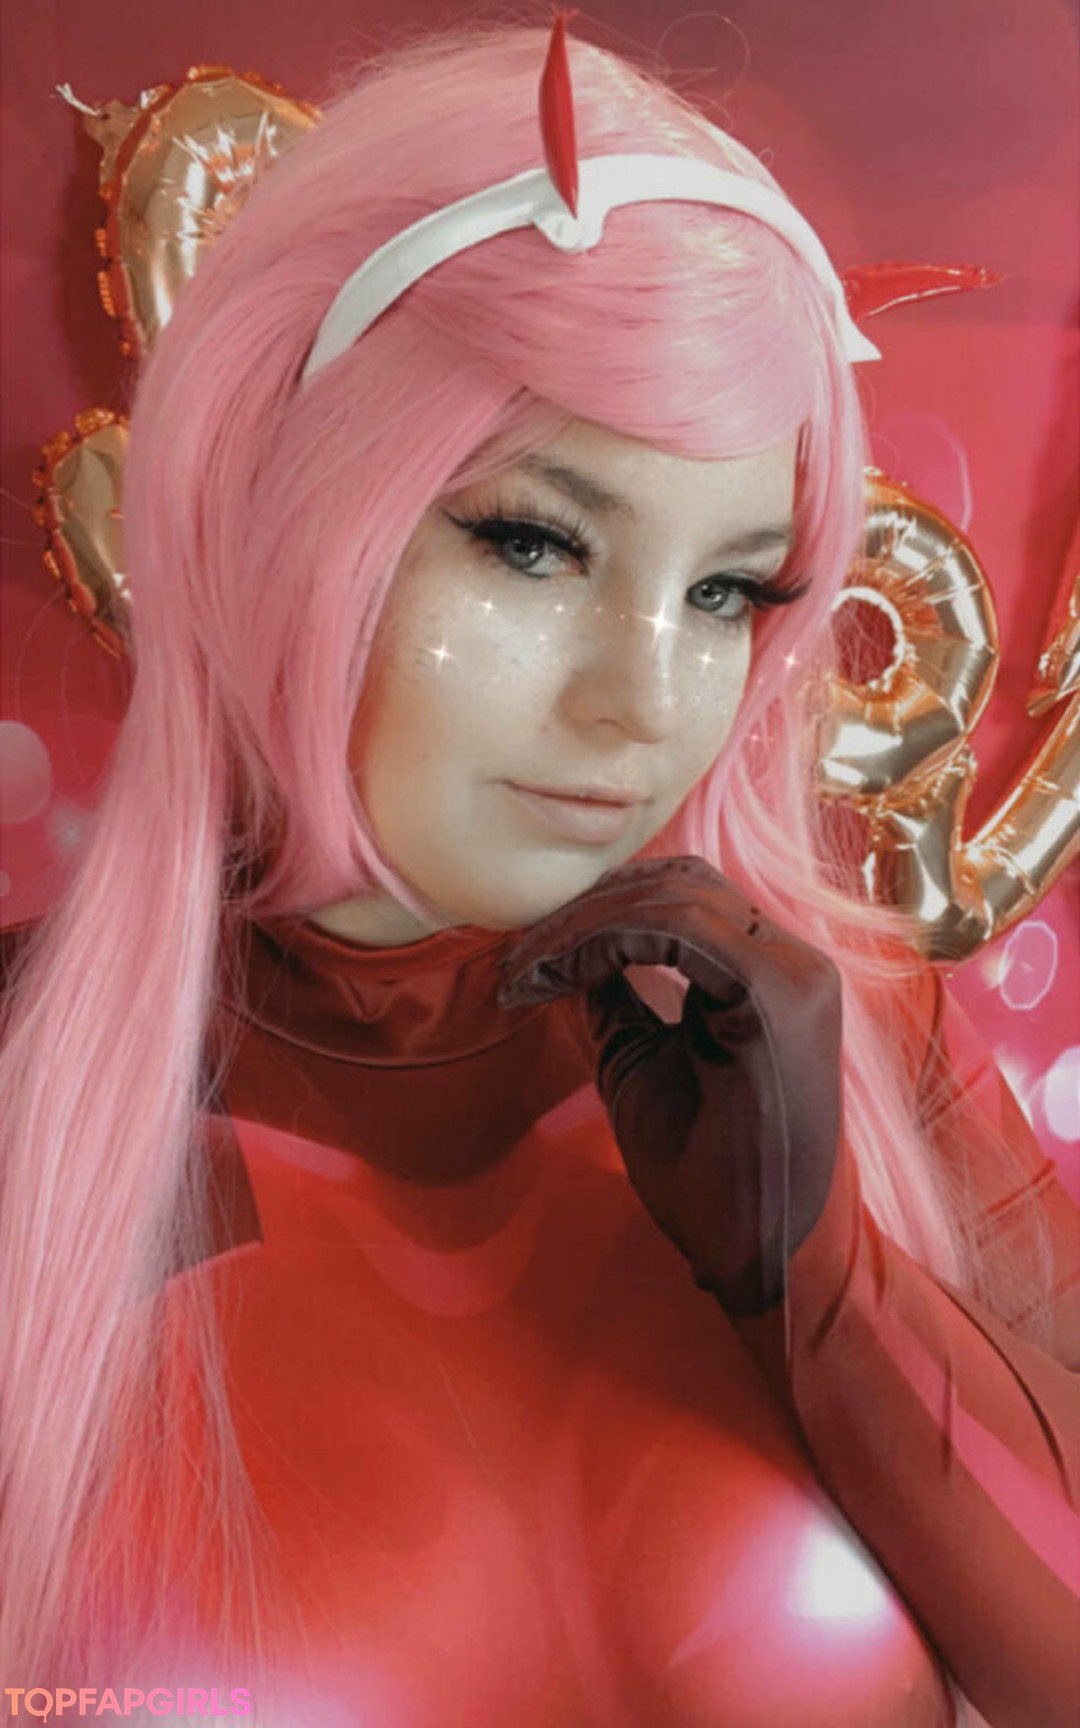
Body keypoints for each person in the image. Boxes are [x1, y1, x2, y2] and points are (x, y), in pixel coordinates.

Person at [1, 21, 1076, 1728]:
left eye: (727, 591)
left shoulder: (858, 1044)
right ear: (278, 507)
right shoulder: (27, 1092)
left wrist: (824, 1293)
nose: (644, 702)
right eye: (532, 543)